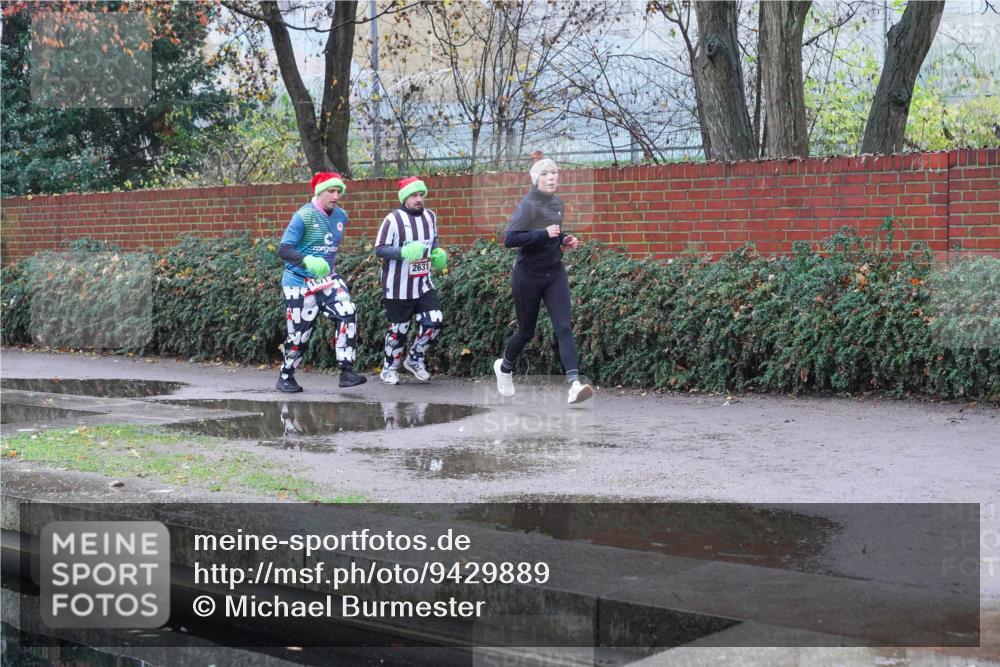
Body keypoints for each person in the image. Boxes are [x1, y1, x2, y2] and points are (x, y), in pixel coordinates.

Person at [493, 155, 594, 404]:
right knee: (526, 331)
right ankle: (505, 368)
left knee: (563, 327)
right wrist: (542, 233)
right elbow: (510, 239)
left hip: (554, 273)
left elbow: (554, 234)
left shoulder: (557, 203)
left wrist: (565, 239)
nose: (552, 177)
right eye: (546, 174)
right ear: (536, 179)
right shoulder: (527, 206)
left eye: (555, 173)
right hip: (527, 275)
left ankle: (574, 384)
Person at [275, 172, 366, 392]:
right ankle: (286, 376)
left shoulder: (341, 216)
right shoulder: (303, 216)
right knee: (300, 333)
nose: (336, 196)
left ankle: (347, 371)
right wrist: (307, 260)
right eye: (331, 191)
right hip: (299, 280)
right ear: (319, 192)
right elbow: (284, 249)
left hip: (327, 279)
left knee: (347, 312)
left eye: (339, 192)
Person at [374, 176, 448, 384]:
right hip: (397, 286)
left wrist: (437, 252)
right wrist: (403, 251)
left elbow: (433, 240)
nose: (419, 199)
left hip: (423, 282)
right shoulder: (393, 219)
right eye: (414, 195)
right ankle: (389, 368)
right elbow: (379, 249)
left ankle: (415, 358)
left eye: (421, 195)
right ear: (405, 197)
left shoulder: (430, 216)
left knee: (434, 320)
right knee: (399, 330)